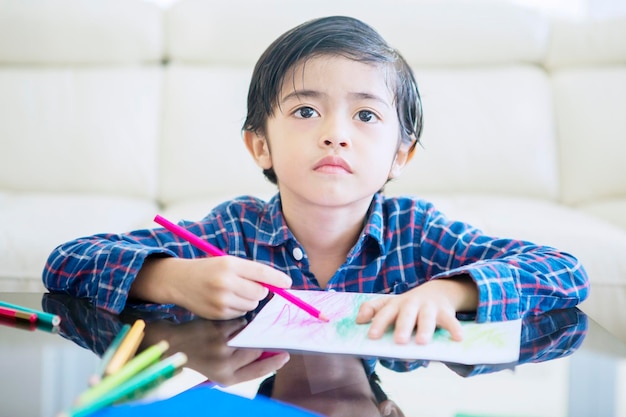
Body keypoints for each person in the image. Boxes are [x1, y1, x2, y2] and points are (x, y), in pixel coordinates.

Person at [43, 15, 589, 348]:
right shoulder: (234, 230)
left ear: (401, 155)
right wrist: (170, 280)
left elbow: (565, 272)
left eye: (366, 116)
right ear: (260, 145)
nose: (335, 135)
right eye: (306, 112)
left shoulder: (417, 233)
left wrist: (451, 289)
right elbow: (67, 260)